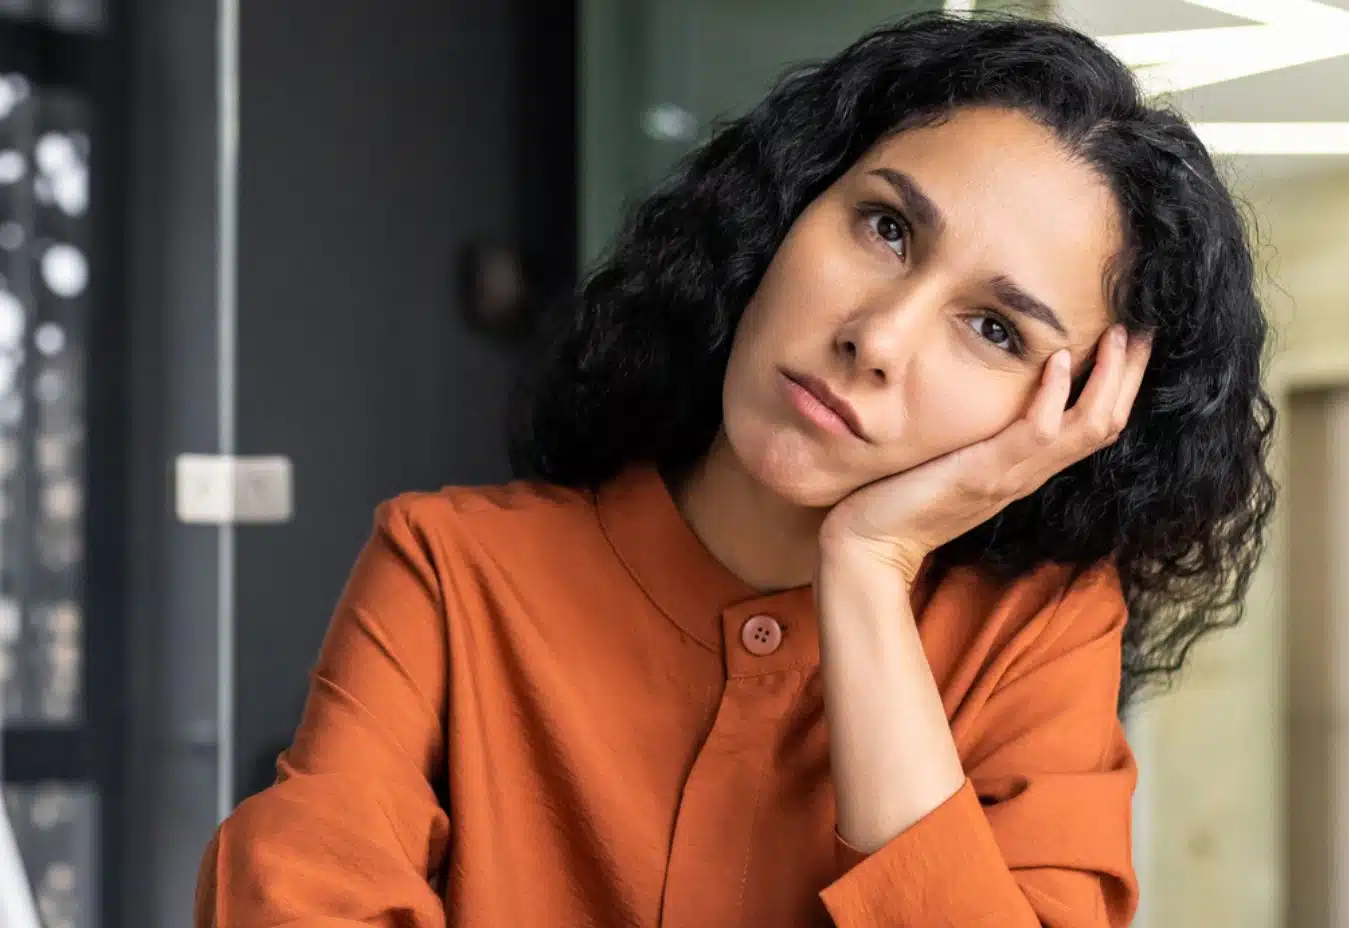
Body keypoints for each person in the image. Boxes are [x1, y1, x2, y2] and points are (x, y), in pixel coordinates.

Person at [195, 11, 1275, 927]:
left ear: (1074, 410)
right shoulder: (450, 567)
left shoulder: (1034, 632)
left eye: (994, 329)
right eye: (887, 227)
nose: (881, 336)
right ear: (784, 212)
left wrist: (869, 565)